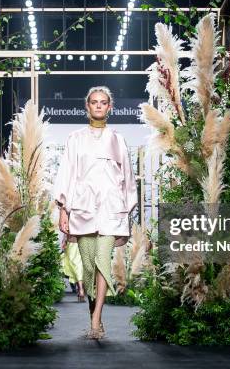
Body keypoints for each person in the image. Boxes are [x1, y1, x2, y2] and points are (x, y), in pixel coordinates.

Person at [52, 86, 138, 340]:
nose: (99, 106)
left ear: (109, 107)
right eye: (94, 102)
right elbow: (66, 173)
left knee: (103, 261)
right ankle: (94, 312)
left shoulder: (118, 139)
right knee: (89, 267)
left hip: (111, 210)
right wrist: (63, 210)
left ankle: (96, 320)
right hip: (83, 209)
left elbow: (128, 179)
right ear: (87, 106)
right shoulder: (75, 138)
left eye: (103, 102)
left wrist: (127, 213)